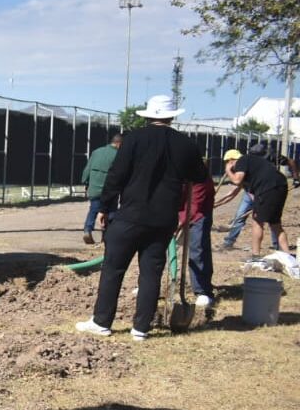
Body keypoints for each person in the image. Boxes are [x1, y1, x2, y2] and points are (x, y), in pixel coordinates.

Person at [75, 95, 206, 341]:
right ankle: (141, 328)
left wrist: (104, 206)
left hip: (130, 216)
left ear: (148, 116)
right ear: (171, 116)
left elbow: (117, 175)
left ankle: (102, 322)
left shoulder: (133, 139)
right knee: (151, 273)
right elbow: (199, 175)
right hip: (163, 220)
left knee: (113, 268)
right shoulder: (185, 144)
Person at [224, 146, 292, 261]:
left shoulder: (241, 161)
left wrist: (228, 170)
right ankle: (287, 256)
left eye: (227, 163)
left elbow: (236, 180)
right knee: (275, 224)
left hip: (268, 189)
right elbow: (242, 191)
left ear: (230, 161)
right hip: (281, 185)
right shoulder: (253, 164)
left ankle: (255, 256)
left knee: (257, 222)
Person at [218, 144, 279, 251]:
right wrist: (216, 204)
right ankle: (229, 242)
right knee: (239, 216)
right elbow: (233, 192)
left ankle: (277, 246)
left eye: (227, 162)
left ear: (232, 160)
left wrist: (228, 171)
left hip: (262, 193)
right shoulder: (241, 169)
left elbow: (237, 183)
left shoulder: (244, 166)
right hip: (250, 194)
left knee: (271, 220)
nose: (227, 165)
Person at [180, 167, 216, 307]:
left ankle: (203, 291)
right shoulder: (169, 168)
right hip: (176, 208)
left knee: (198, 249)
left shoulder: (200, 174)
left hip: (200, 212)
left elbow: (195, 205)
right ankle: (150, 287)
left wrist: (180, 220)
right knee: (156, 249)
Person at [82, 134, 122, 244]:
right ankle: (106, 236)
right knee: (110, 212)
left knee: (94, 209)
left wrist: (86, 183)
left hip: (94, 187)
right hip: (110, 189)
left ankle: (87, 229)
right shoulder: (118, 154)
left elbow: (87, 169)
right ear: (119, 144)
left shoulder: (96, 152)